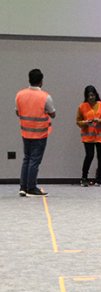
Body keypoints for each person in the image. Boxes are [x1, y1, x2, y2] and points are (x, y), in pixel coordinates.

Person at [15, 68, 56, 197]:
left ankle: (23, 187)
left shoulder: (20, 94)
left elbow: (17, 111)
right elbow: (53, 114)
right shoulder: (45, 96)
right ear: (41, 81)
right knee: (34, 161)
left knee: (26, 158)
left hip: (25, 132)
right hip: (40, 133)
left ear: (29, 79)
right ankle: (31, 187)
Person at [75, 84, 101, 187]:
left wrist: (100, 120)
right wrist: (86, 122)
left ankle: (99, 179)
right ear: (86, 96)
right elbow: (78, 122)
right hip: (88, 137)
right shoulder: (82, 107)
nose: (91, 97)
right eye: (89, 95)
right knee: (89, 156)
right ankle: (84, 178)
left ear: (96, 95)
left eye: (93, 95)